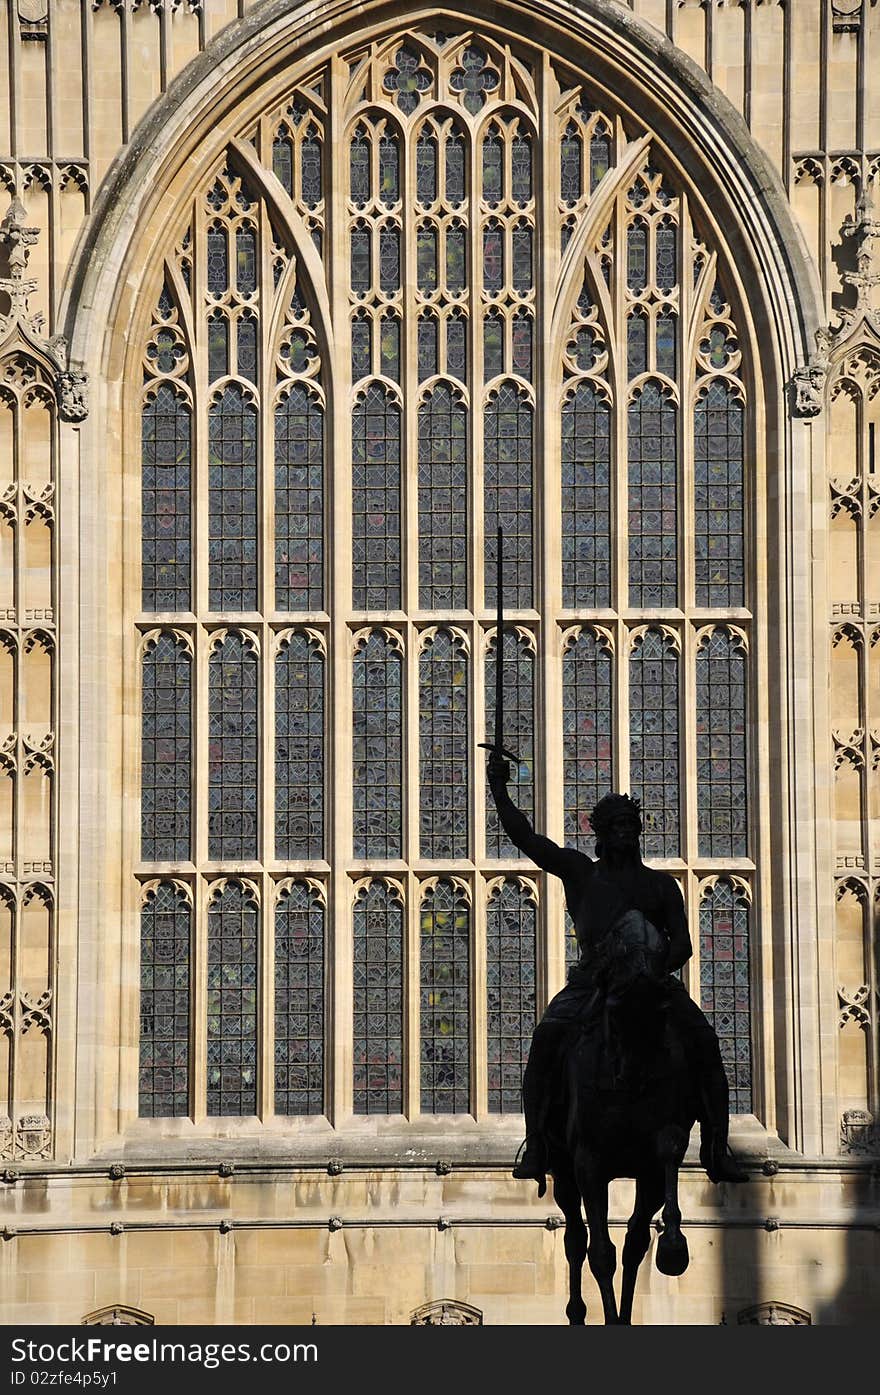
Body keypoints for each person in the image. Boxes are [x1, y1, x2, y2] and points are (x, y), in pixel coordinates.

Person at [487, 750, 748, 1189]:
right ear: (601, 834)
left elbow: (682, 944)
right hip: (592, 981)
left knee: (704, 1043)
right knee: (547, 1039)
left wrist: (652, 970)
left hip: (654, 982)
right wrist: (499, 789)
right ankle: (536, 1144)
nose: (627, 833)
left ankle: (716, 1148)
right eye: (617, 827)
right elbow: (528, 840)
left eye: (632, 825)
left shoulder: (659, 885)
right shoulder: (581, 874)